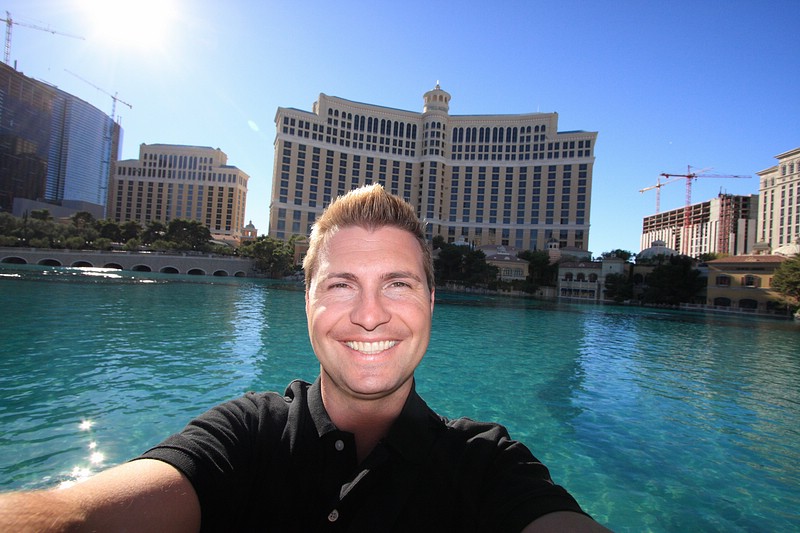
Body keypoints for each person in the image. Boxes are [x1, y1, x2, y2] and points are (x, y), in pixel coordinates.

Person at [0, 184, 612, 532]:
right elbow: (75, 516)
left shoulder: (487, 466)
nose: (369, 315)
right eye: (342, 284)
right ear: (307, 302)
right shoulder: (247, 435)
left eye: (397, 284)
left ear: (431, 302)